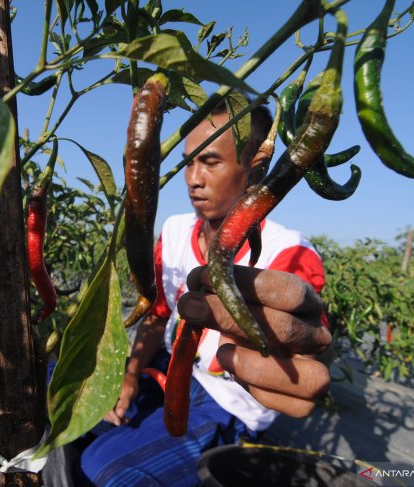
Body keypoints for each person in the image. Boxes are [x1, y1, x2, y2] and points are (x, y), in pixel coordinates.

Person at [77, 101, 333, 486]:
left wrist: (307, 346)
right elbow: (159, 312)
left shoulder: (289, 252)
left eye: (210, 162)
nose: (192, 178)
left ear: (255, 169)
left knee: (107, 469)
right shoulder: (177, 229)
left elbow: (309, 332)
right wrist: (128, 371)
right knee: (64, 385)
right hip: (171, 370)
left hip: (228, 400)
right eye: (187, 163)